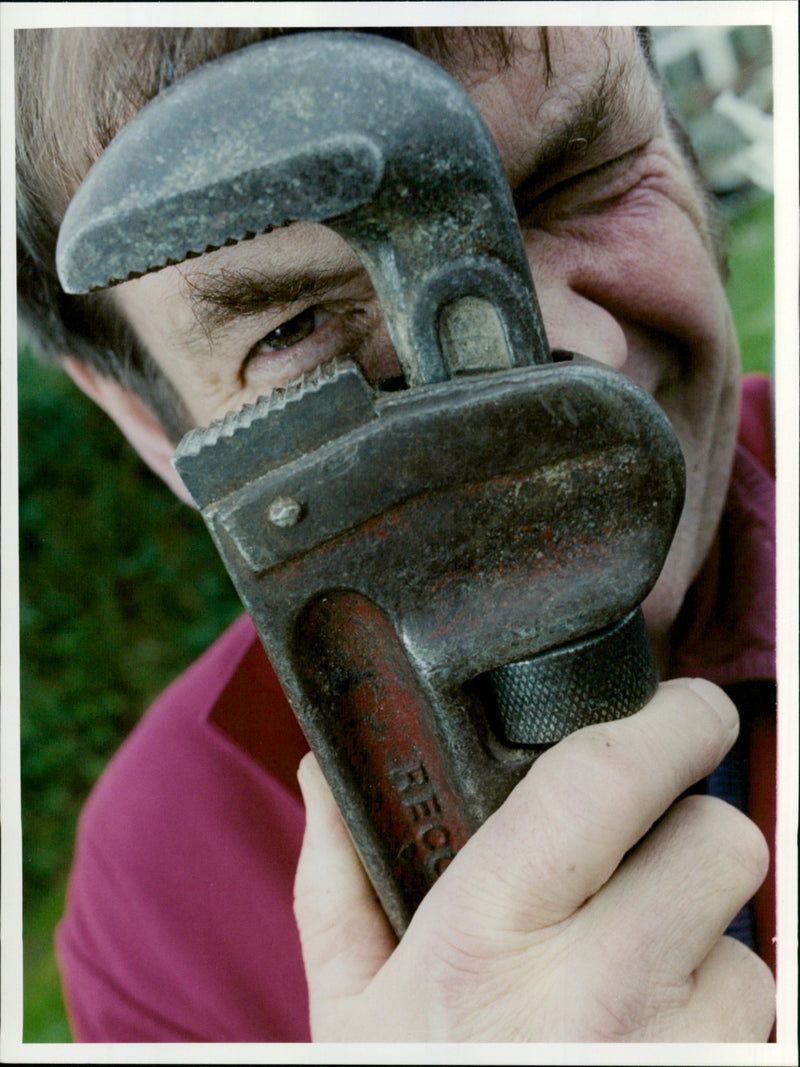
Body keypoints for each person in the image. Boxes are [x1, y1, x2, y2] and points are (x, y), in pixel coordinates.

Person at [16, 25, 777, 1043]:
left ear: (678, 149)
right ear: (151, 424)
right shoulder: (155, 921)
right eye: (292, 328)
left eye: (586, 175)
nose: (574, 371)